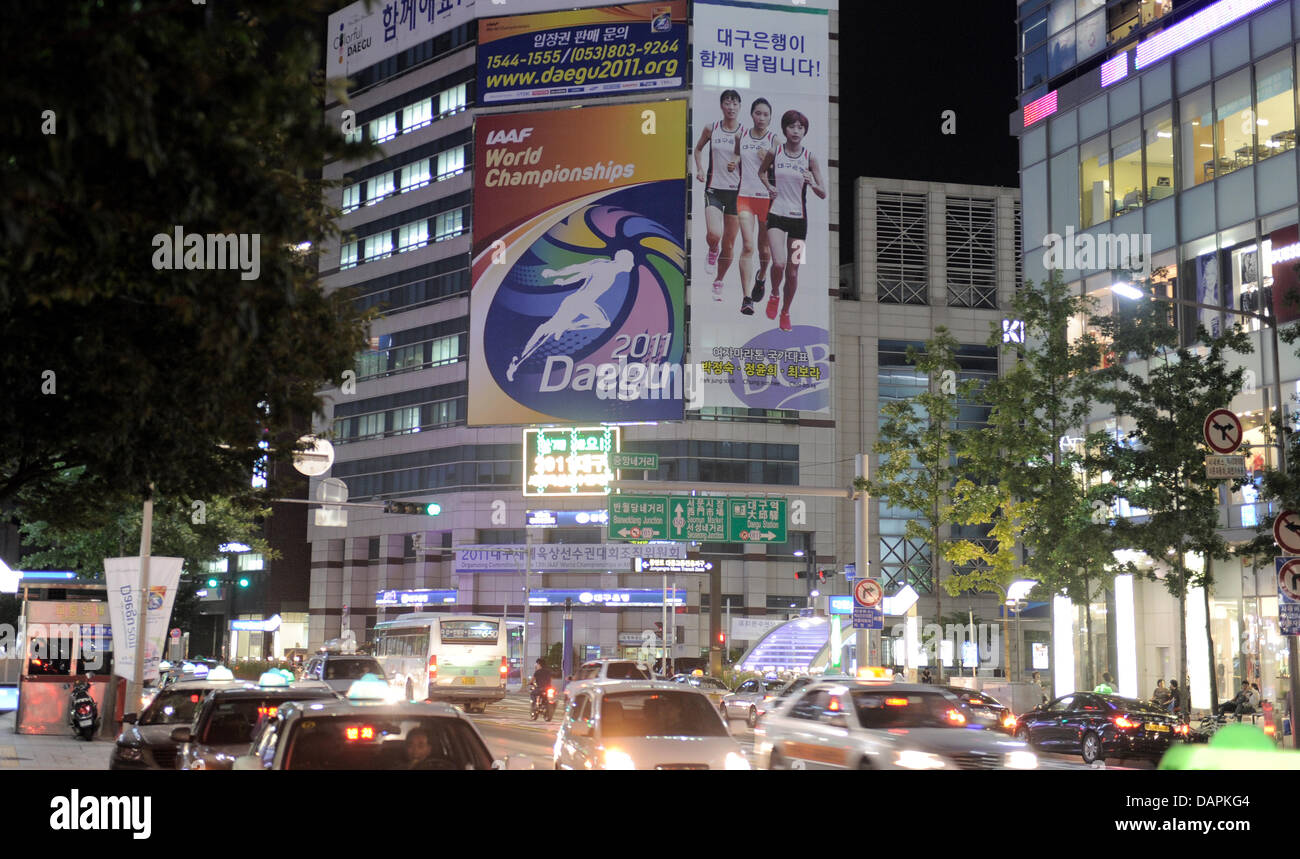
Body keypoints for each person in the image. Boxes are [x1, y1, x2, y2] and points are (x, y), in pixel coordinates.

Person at [505, 250, 635, 382]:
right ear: (622, 261)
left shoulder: (610, 270)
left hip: (585, 303)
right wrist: (557, 275)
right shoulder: (604, 266)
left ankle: (567, 326)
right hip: (577, 302)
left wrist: (564, 280)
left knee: (603, 322)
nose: (632, 265)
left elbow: (581, 274)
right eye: (630, 262)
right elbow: (578, 269)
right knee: (546, 331)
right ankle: (516, 363)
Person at [764, 109, 827, 332]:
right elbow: (762, 173)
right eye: (792, 126)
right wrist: (769, 187)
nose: (796, 131)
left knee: (793, 272)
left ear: (805, 131)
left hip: (800, 222)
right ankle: (773, 294)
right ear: (785, 129)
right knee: (779, 263)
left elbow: (823, 193)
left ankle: (786, 311)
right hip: (776, 216)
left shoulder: (810, 158)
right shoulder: (776, 152)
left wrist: (813, 182)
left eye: (800, 127)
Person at [693, 89, 744, 302]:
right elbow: (698, 149)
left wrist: (738, 160)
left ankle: (719, 280)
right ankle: (712, 250)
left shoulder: (745, 132)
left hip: (737, 194)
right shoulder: (711, 128)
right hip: (714, 188)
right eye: (727, 103)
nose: (731, 107)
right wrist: (700, 169)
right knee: (715, 234)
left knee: (729, 244)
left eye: (735, 104)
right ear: (722, 106)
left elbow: (748, 156)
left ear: (739, 107)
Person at [732, 97, 778, 316]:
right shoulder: (742, 135)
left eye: (765, 114)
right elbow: (736, 156)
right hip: (745, 197)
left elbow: (784, 170)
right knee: (748, 246)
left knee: (764, 249)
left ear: (770, 117)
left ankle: (761, 278)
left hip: (766, 199)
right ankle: (746, 298)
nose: (761, 118)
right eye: (758, 113)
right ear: (751, 114)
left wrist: (768, 161)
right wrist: (733, 163)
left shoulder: (774, 140)